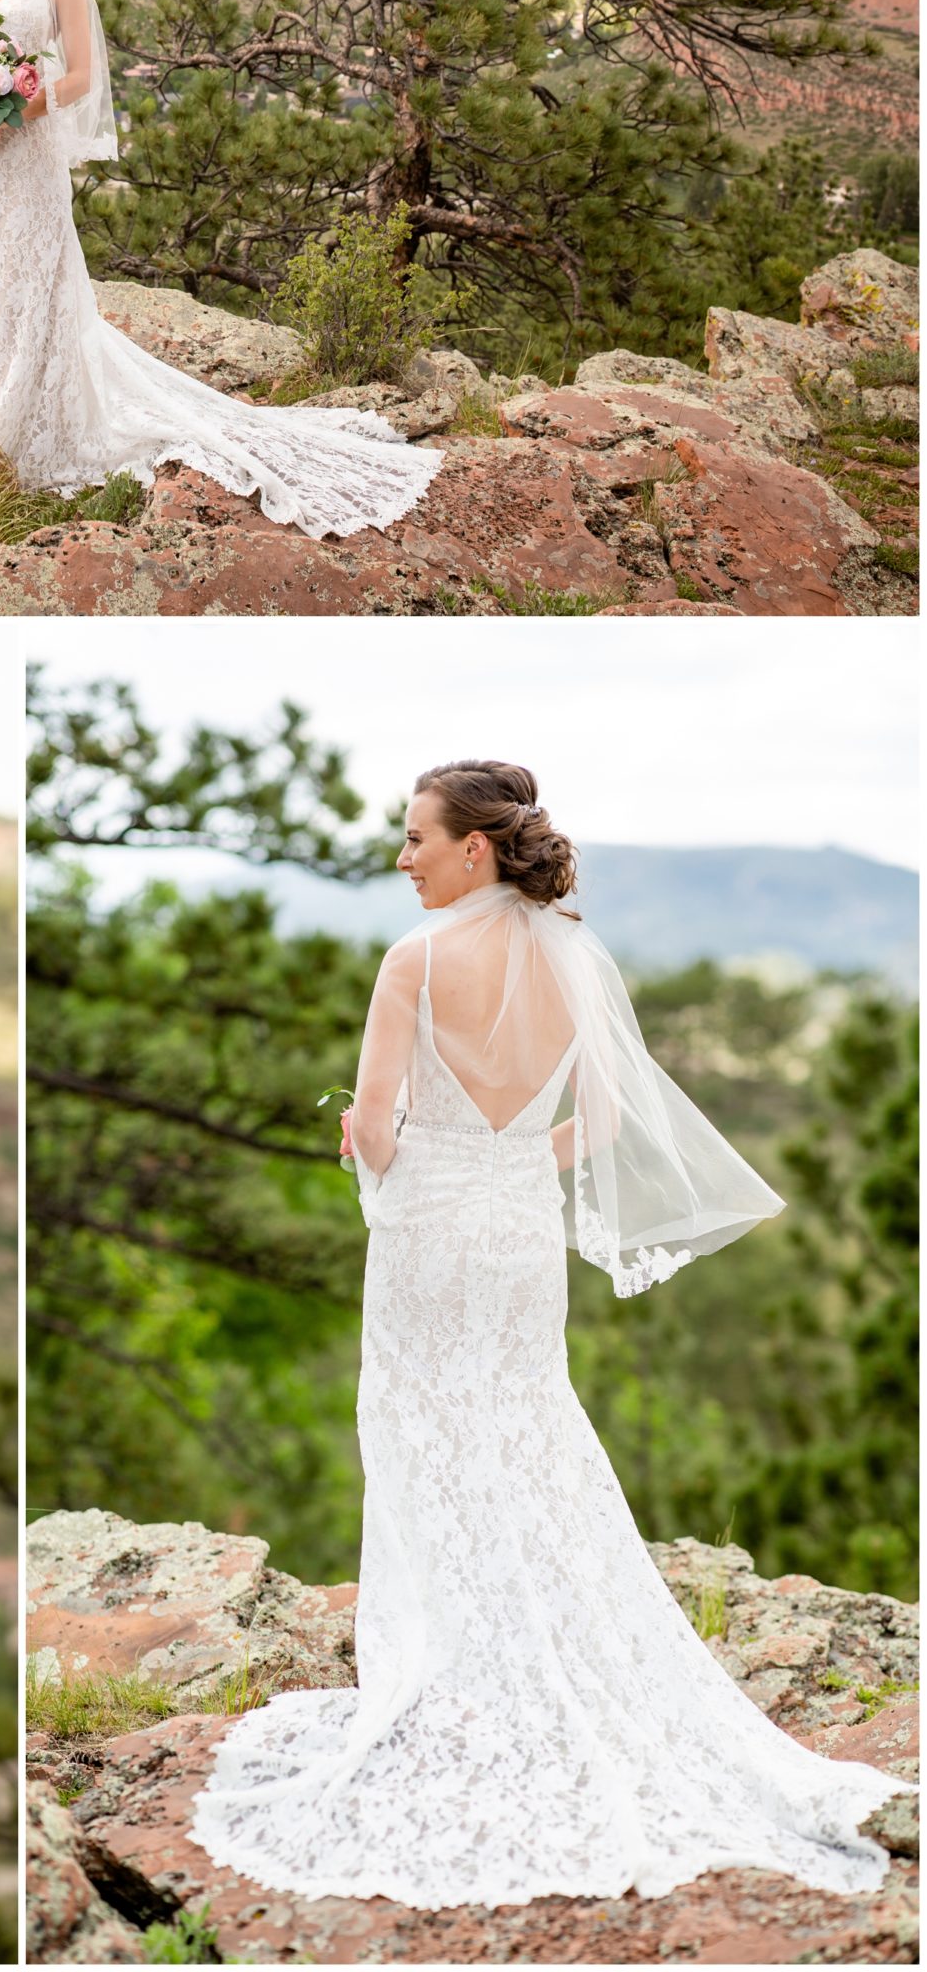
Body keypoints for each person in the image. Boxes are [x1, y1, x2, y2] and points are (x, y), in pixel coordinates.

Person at [190, 762, 913, 1908]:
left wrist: (362, 1151)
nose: (402, 857)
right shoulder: (574, 956)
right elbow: (612, 1112)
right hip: (521, 1235)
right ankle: (547, 1643)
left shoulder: (413, 961)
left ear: (473, 848)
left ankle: (448, 1660)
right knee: (525, 1418)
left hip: (430, 1237)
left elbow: (375, 1126)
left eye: (416, 837)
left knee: (421, 1423)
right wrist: (524, 1163)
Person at [0, 0, 441, 540]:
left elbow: (79, 79)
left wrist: (10, 108)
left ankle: (29, 433)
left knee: (36, 282)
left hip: (27, 150)